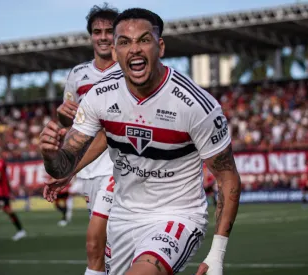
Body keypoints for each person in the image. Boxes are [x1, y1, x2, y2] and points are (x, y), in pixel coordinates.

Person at [40, 8, 242, 275]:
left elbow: (227, 178)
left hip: (176, 216)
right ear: (114, 52)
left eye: (143, 40)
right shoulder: (100, 96)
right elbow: (63, 166)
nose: (134, 49)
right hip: (123, 217)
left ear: (160, 47)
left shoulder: (196, 106)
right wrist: (50, 155)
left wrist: (217, 253)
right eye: (124, 42)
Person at [51, 3, 120, 275]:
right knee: (102, 244)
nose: (103, 37)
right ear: (91, 35)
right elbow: (71, 122)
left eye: (108, 31)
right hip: (88, 169)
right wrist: (62, 117)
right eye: (97, 31)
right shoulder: (78, 75)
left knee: (101, 240)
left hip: (118, 166)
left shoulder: (129, 70)